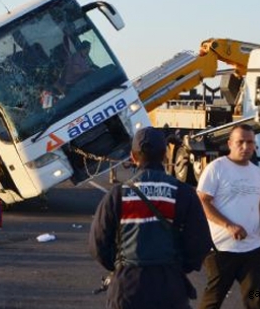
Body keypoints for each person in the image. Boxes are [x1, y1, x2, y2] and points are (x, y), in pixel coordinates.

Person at [89, 127, 212, 309]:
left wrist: (121, 264)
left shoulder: (118, 195)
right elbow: (200, 241)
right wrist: (178, 266)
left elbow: (97, 244)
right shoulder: (183, 192)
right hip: (170, 286)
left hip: (127, 288)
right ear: (164, 155)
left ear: (132, 157)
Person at [196, 124, 260, 309]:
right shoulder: (216, 168)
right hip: (221, 249)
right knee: (213, 301)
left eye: (250, 142)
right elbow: (203, 201)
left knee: (256, 302)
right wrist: (229, 226)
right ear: (230, 143)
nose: (245, 147)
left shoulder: (256, 172)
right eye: (240, 142)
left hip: (253, 249)